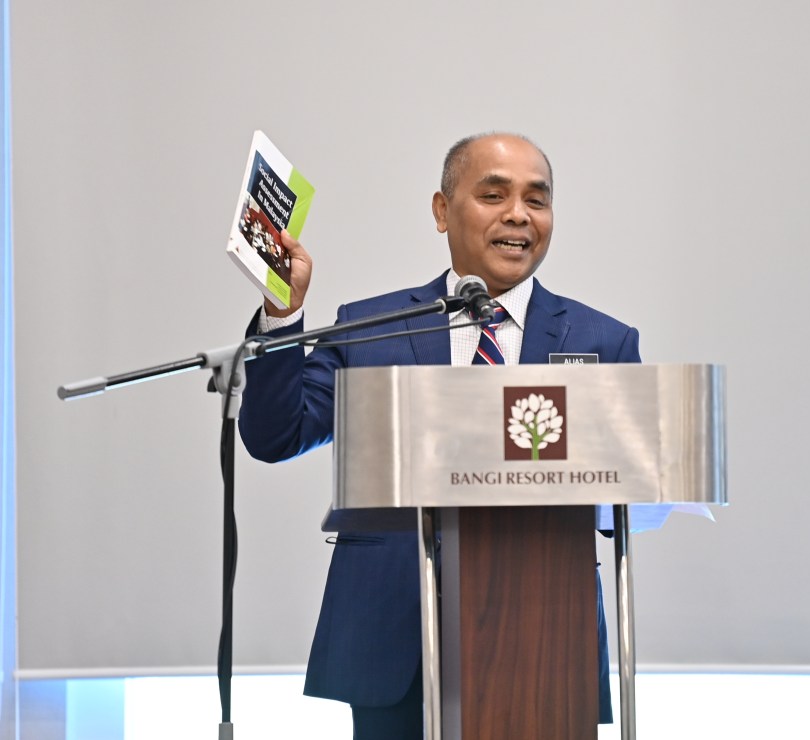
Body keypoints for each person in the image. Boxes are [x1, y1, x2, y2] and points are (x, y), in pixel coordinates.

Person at [238, 132, 641, 738]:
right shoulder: (369, 330)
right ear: (442, 210)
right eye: (494, 195)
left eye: (536, 200)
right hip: (392, 638)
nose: (518, 215)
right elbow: (276, 434)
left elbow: (626, 486)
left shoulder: (602, 341)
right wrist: (282, 313)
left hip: (546, 643)